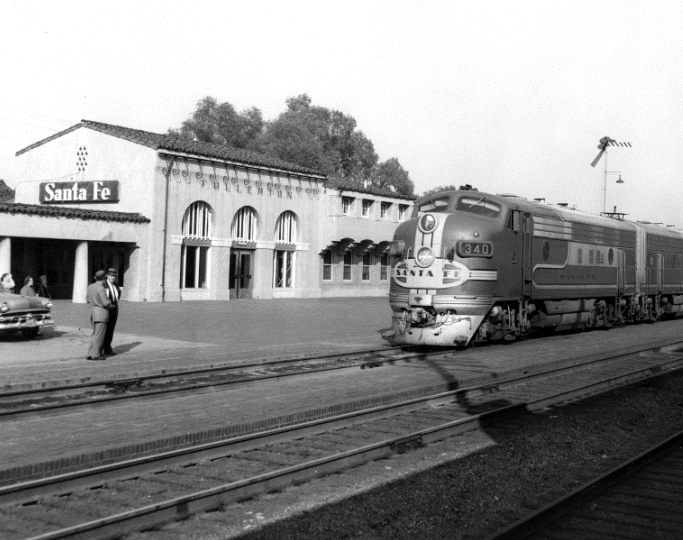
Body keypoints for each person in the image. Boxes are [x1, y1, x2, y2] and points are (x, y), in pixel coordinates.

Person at [85, 270, 112, 360]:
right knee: (99, 335)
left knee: (94, 334)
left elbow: (87, 299)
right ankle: (95, 354)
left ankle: (90, 353)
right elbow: (105, 303)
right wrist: (110, 303)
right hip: (101, 313)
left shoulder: (90, 286)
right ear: (104, 279)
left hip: (93, 312)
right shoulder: (101, 288)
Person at [102, 267, 121, 356]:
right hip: (106, 308)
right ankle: (100, 348)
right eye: (111, 276)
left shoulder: (116, 285)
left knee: (111, 329)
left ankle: (107, 348)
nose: (113, 278)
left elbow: (118, 294)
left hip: (114, 308)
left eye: (114, 276)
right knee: (104, 329)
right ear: (107, 276)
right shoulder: (104, 285)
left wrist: (114, 303)